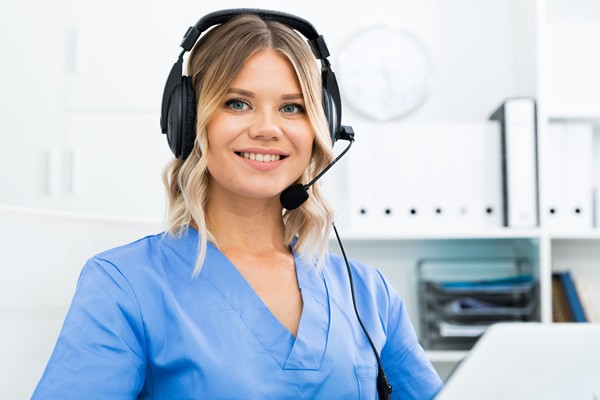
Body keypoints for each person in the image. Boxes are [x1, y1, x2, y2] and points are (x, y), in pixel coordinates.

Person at [32, 9, 443, 400]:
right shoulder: (124, 284)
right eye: (237, 103)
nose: (267, 128)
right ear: (189, 120)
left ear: (321, 127)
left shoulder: (369, 294)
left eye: (292, 107)